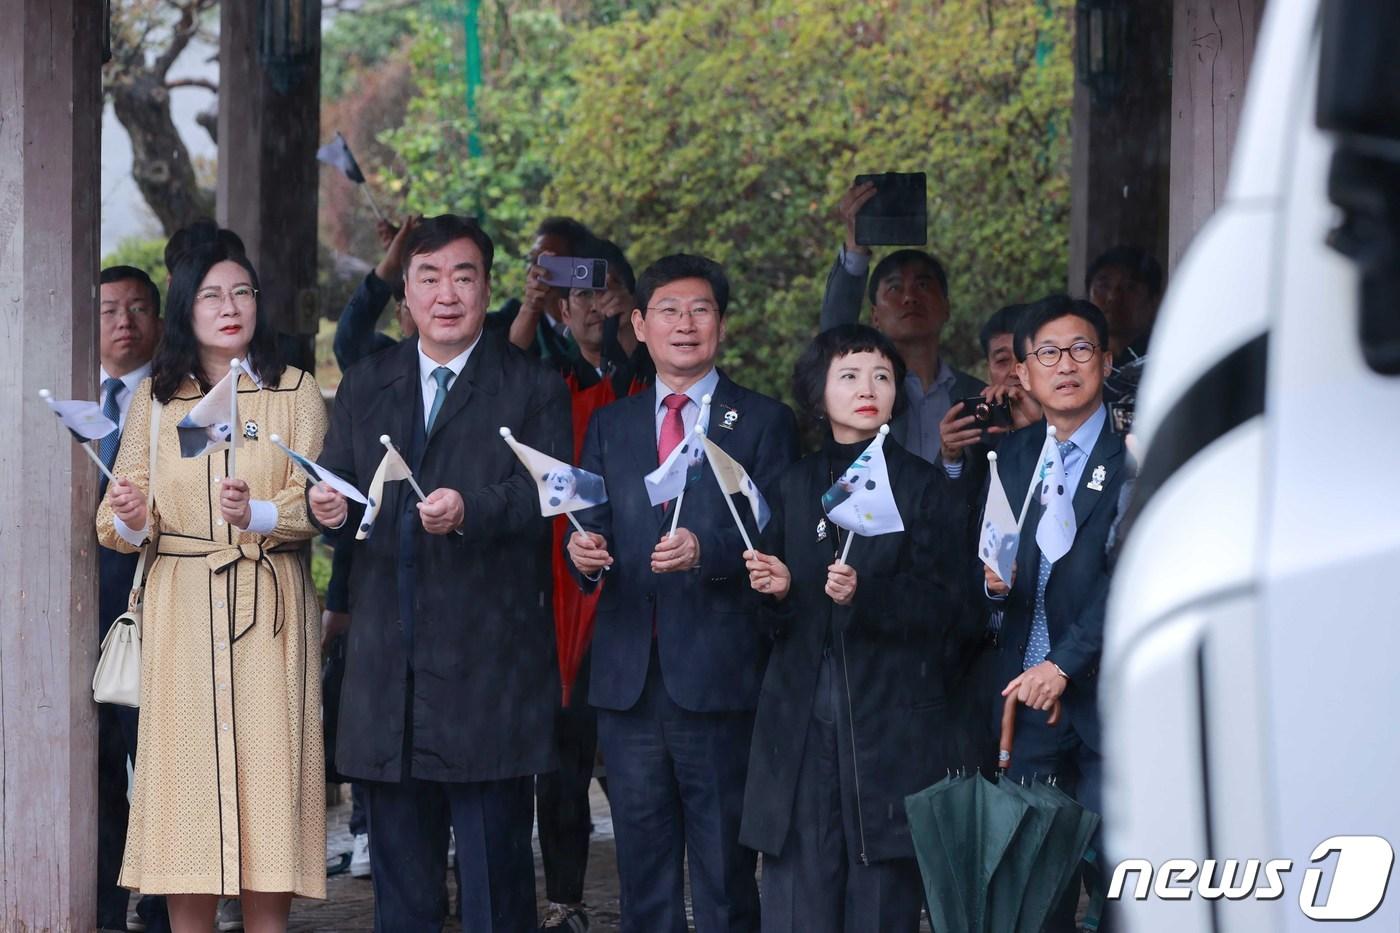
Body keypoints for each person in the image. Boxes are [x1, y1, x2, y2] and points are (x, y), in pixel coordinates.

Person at [308, 214, 571, 932]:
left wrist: (471, 510)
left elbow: (553, 494)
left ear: (489, 289)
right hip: (389, 674)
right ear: (406, 299)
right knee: (405, 895)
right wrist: (325, 504)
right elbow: (342, 491)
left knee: (496, 888)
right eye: (428, 277)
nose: (446, 293)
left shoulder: (532, 386)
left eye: (463, 275)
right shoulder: (367, 382)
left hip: (491, 676)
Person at [96, 240, 329, 932]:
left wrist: (254, 512)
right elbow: (115, 515)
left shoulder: (293, 388)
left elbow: (314, 497)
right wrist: (135, 517)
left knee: (267, 789)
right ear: (186, 309)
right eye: (212, 296)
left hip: (269, 613)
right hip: (181, 611)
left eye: (243, 293)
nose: (230, 308)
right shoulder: (158, 398)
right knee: (183, 797)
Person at [566, 254, 798, 933]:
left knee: (726, 873)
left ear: (721, 324)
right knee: (644, 872)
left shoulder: (761, 421)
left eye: (700, 309)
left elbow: (778, 531)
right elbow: (589, 521)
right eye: (668, 310)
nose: (685, 323)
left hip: (720, 678)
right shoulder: (613, 424)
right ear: (638, 324)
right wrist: (582, 553)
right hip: (630, 683)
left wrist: (708, 550)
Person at [738, 324, 957, 932]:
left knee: (880, 897)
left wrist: (870, 595)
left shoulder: (923, 485)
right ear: (818, 393)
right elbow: (763, 619)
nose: (869, 388)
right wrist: (778, 592)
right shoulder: (793, 484)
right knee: (797, 896)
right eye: (850, 375)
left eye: (883, 376)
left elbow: (951, 608)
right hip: (802, 721)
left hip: (888, 719)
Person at [981, 295, 1133, 933]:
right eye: (1047, 352)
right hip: (1029, 705)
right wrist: (991, 586)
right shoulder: (1011, 457)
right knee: (1031, 897)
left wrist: (1063, 664)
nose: (1065, 365)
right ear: (1023, 372)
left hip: (1112, 705)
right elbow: (988, 562)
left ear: (1103, 360)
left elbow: (1129, 579)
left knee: (1123, 890)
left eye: (1080, 349)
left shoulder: (1135, 456)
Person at [536, 236, 645, 933]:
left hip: (633, 584)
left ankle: (649, 892)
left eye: (599, 292)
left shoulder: (644, 381)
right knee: (561, 758)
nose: (588, 307)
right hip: (556, 583)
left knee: (634, 761)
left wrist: (630, 326)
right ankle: (565, 899)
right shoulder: (549, 378)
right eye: (573, 295)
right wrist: (529, 306)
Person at [94, 265, 167, 933]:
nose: (124, 322)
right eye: (110, 309)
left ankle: (168, 906)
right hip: (76, 618)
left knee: (161, 765)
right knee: (94, 776)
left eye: (139, 308)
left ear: (160, 322)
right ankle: (103, 911)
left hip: (156, 611)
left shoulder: (173, 405)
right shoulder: (68, 401)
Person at [820, 183, 985, 463]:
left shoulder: (976, 396)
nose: (909, 297)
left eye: (923, 285)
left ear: (946, 307)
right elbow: (833, 339)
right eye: (894, 288)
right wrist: (855, 244)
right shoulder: (860, 389)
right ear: (875, 316)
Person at [1085, 245, 1164, 432]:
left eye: (1130, 287)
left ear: (1153, 301)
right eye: (1103, 286)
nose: (1113, 297)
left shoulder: (1163, 360)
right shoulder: (1074, 360)